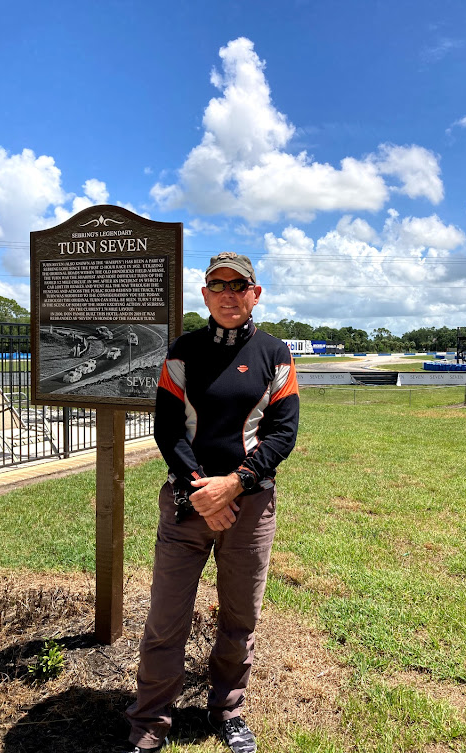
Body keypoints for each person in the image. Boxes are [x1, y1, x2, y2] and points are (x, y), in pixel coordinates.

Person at [126, 252, 300, 753]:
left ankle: (227, 710)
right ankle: (150, 722)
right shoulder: (183, 351)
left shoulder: (275, 353)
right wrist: (203, 489)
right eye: (217, 286)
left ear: (255, 294)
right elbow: (167, 429)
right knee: (166, 619)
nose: (228, 294)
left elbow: (282, 433)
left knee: (240, 618)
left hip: (250, 507)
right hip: (187, 503)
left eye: (238, 285)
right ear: (204, 295)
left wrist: (235, 484)